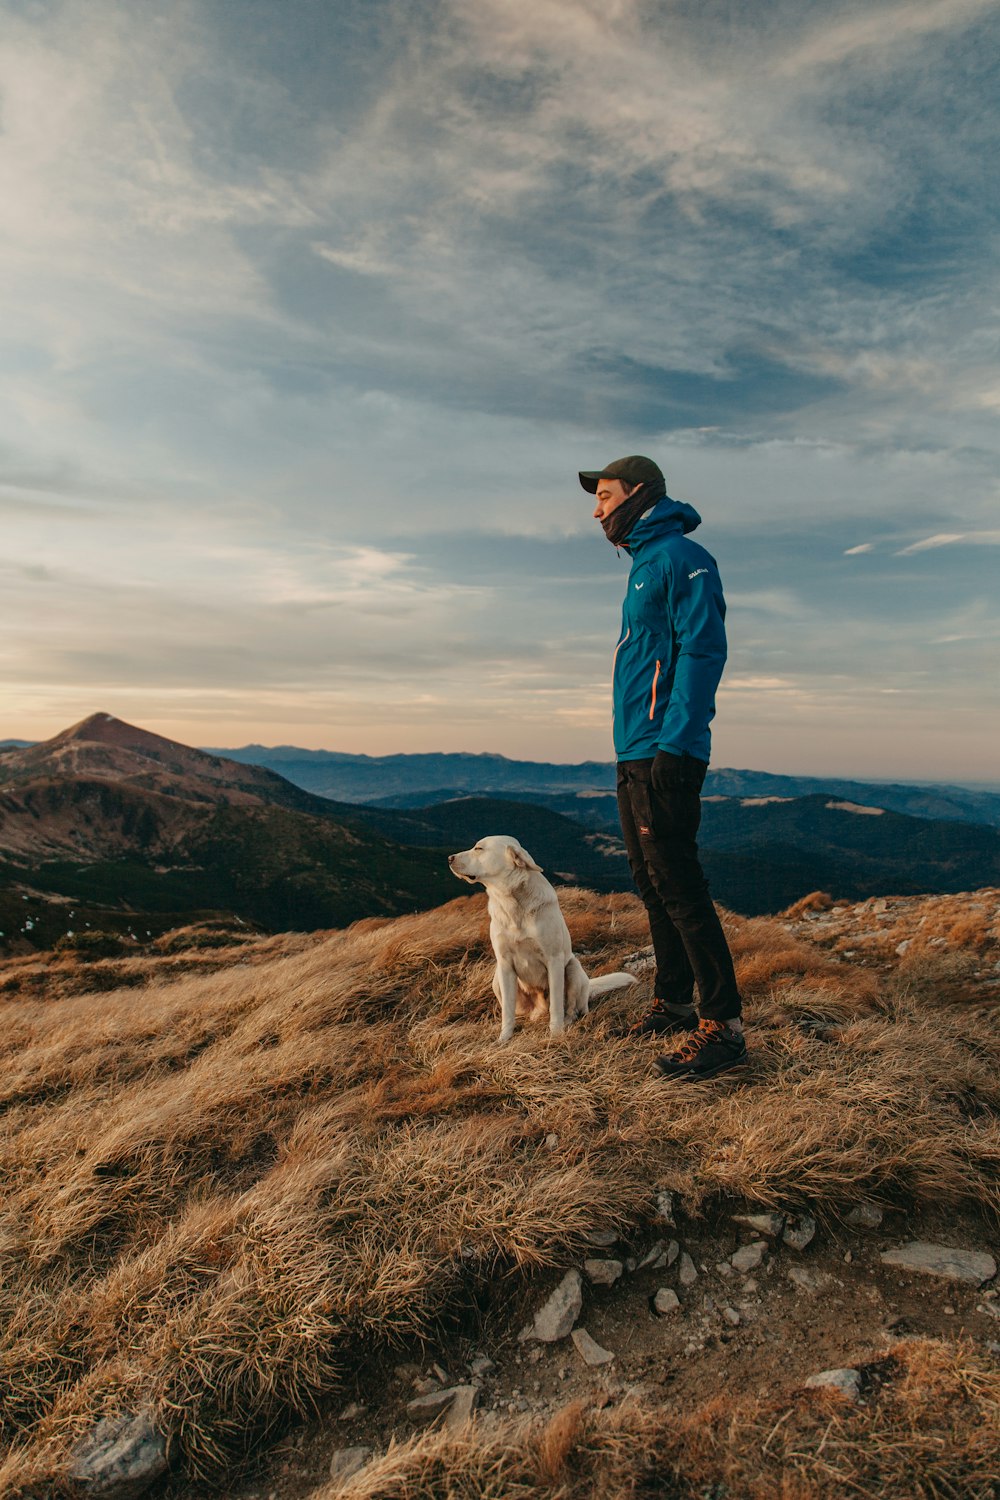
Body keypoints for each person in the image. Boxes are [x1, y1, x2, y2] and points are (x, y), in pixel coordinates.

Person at [578, 455, 746, 1081]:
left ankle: (722, 1027)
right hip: (635, 750)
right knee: (650, 882)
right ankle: (674, 1003)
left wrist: (676, 744)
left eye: (604, 495)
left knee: (679, 884)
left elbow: (703, 651)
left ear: (638, 494)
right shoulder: (646, 563)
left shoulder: (681, 558)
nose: (596, 509)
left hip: (663, 750)